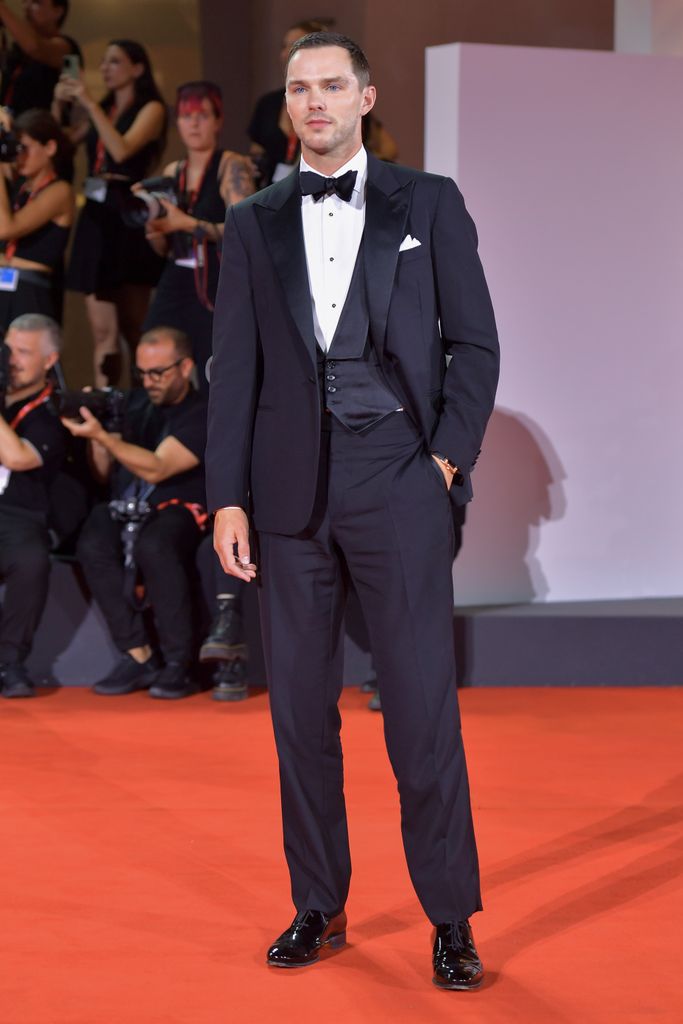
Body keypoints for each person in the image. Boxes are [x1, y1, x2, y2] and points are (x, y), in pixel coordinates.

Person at [207, 32, 499, 989]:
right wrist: (226, 499)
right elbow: (235, 373)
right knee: (299, 716)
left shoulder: (429, 202)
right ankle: (317, 905)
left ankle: (449, 918)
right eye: (300, 88)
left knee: (419, 711)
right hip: (286, 498)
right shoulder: (252, 221)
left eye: (333, 85)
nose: (316, 101)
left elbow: (474, 346)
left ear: (365, 97)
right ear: (287, 107)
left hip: (397, 482)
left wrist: (445, 460)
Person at [63, 326, 208, 700]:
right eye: (142, 373)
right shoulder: (135, 404)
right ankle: (138, 653)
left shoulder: (202, 410)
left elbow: (158, 467)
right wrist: (102, 433)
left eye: (158, 372)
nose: (149, 382)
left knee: (156, 544)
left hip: (180, 506)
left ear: (185, 366)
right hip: (129, 505)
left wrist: (104, 438)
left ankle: (180, 663)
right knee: (93, 536)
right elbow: (102, 473)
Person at [53, 39, 166, 386]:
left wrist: (88, 102)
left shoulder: (152, 108)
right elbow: (61, 144)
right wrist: (59, 105)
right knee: (102, 330)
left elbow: (121, 149)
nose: (105, 68)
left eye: (114, 62)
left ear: (137, 68)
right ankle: (105, 414)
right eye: (103, 62)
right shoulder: (104, 107)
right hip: (96, 216)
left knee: (135, 325)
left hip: (128, 214)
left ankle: (144, 407)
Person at [138, 80, 254, 391]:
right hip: (177, 274)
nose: (193, 123)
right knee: (155, 348)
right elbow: (163, 246)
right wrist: (154, 229)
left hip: (215, 279)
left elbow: (248, 229)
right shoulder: (173, 170)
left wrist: (186, 223)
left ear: (218, 121)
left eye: (202, 115)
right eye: (186, 116)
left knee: (211, 367)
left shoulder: (230, 165)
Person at [0, 313, 66, 698]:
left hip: (20, 516)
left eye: (24, 353)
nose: (11, 360)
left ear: (49, 361)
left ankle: (10, 662)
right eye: (8, 350)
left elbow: (19, 457)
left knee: (30, 561)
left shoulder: (54, 411)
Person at [247, 19, 397, 187]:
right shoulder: (268, 103)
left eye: (332, 87)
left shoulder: (349, 102)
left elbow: (388, 148)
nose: (287, 52)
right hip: (277, 190)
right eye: (285, 46)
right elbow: (256, 152)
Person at [0, 107, 74, 331]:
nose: (18, 155)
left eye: (25, 148)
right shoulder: (21, 186)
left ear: (50, 147)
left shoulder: (60, 190)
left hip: (31, 292)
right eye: (16, 148)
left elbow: (5, 228)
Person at [0, 0, 81, 115]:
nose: (27, 7)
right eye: (25, 1)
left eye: (36, 2)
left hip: (45, 129)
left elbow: (36, 48)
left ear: (58, 11)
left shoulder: (69, 51)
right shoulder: (18, 51)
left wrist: (2, 9)